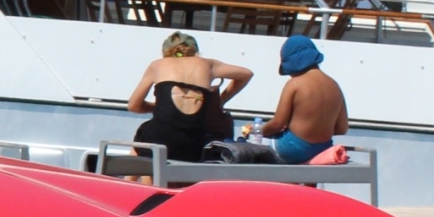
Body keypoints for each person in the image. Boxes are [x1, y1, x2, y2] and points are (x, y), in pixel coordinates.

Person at [127, 31, 252, 163]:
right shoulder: (208, 64)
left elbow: (134, 105)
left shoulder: (157, 65)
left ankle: (129, 181)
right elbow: (246, 74)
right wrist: (221, 100)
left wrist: (159, 107)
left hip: (160, 140)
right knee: (153, 140)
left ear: (165, 53)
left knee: (145, 135)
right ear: (196, 52)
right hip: (194, 143)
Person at [259, 35, 348, 165]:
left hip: (293, 148)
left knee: (255, 144)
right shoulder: (334, 85)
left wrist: (257, 131)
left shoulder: (295, 84)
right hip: (323, 147)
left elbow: (277, 124)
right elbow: (342, 128)